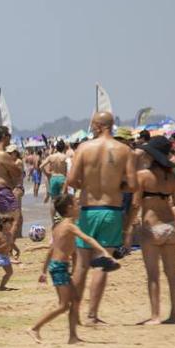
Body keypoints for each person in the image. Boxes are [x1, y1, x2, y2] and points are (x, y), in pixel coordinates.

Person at [66, 112, 136, 325]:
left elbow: (71, 180)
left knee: (81, 265)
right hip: (111, 210)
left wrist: (86, 186)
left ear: (97, 126)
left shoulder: (84, 148)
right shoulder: (124, 150)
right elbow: (132, 185)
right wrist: (115, 186)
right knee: (102, 263)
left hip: (87, 210)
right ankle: (92, 315)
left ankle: (74, 314)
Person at [28, 195, 116, 344]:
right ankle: (34, 328)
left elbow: (51, 250)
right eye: (76, 204)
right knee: (63, 305)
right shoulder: (69, 226)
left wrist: (43, 271)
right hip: (59, 268)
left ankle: (73, 337)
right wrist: (104, 252)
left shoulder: (58, 226)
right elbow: (87, 239)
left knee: (75, 300)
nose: (79, 207)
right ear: (69, 208)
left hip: (57, 267)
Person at [135, 137, 175, 325]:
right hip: (171, 227)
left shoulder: (143, 176)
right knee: (172, 272)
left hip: (151, 227)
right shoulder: (174, 177)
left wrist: (126, 229)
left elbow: (135, 205)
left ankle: (155, 316)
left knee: (153, 274)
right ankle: (173, 315)